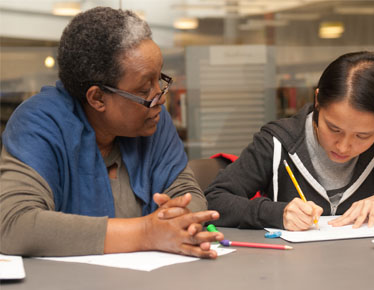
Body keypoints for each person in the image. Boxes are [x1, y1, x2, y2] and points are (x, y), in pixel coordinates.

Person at [0, 7, 223, 258]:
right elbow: (13, 225)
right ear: (97, 98)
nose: (159, 97)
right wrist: (147, 233)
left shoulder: (153, 121)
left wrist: (178, 220)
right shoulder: (39, 124)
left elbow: (187, 192)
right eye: (143, 89)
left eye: (159, 79)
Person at [205, 51, 374, 231]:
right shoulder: (277, 143)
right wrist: (277, 213)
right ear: (317, 101)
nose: (343, 146)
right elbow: (215, 200)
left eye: (362, 136)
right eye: (334, 129)